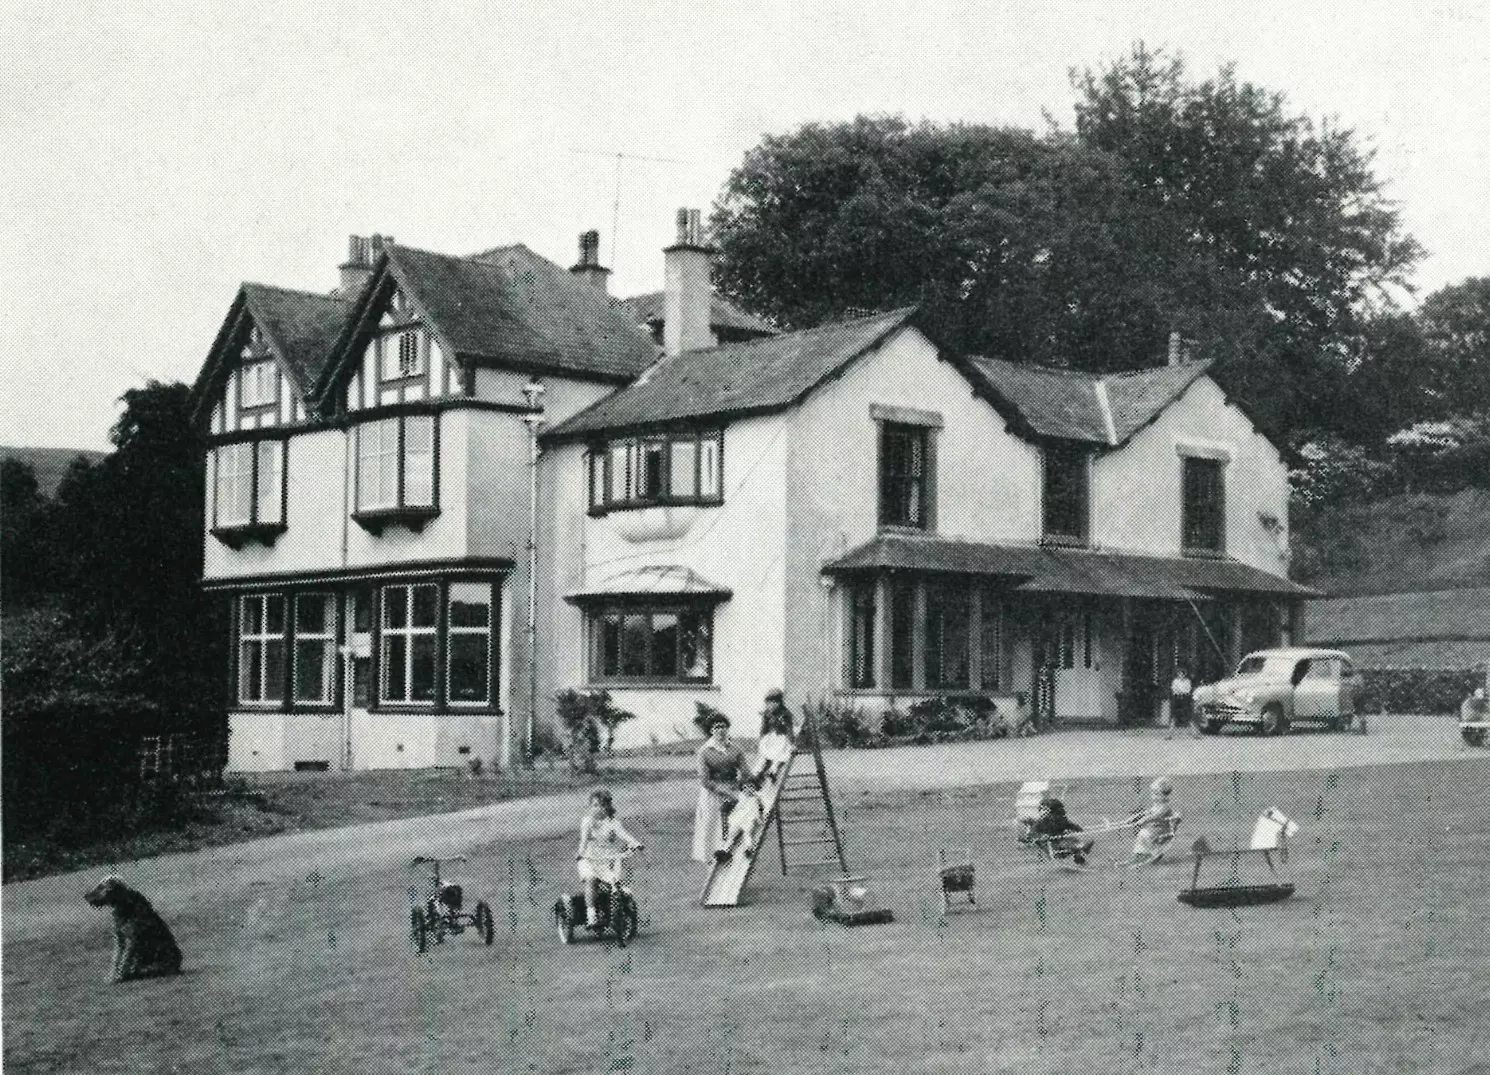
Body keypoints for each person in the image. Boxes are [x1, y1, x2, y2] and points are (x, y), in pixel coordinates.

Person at [576, 789, 643, 926]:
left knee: (615, 883)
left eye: (601, 805)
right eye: (594, 805)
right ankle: (591, 914)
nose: (598, 809)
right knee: (591, 880)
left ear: (607, 807)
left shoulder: (612, 822)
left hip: (607, 860)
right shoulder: (587, 821)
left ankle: (618, 910)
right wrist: (580, 853)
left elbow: (623, 835)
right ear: (590, 807)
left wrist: (636, 843)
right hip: (590, 859)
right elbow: (583, 840)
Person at [693, 714, 748, 863]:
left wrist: (741, 787)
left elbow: (745, 772)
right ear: (711, 730)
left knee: (737, 825)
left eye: (723, 726)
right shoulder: (704, 752)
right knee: (714, 829)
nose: (720, 730)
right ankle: (714, 861)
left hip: (733, 790)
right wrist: (725, 792)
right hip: (713, 794)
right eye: (716, 727)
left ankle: (734, 859)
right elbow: (705, 781)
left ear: (727, 728)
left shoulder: (736, 749)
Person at [1021, 797, 1094, 865]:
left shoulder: (1060, 819)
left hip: (1061, 840)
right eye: (1042, 809)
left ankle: (1079, 855)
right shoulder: (1041, 822)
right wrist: (1041, 836)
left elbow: (1070, 825)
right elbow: (1032, 833)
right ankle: (1081, 848)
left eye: (1045, 809)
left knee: (1071, 839)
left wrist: (1079, 829)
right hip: (1052, 845)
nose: (1043, 812)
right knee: (1066, 842)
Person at [1126, 777, 1179, 865]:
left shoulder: (1164, 806)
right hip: (1154, 829)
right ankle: (1138, 854)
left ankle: (1152, 854)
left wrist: (1144, 820)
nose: (1153, 796)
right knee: (1141, 835)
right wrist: (1134, 818)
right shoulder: (1157, 805)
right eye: (1153, 793)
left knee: (1144, 835)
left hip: (1162, 830)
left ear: (1165, 795)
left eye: (1157, 794)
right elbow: (1148, 813)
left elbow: (1155, 816)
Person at [715, 777, 766, 863]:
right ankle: (725, 851)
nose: (748, 789)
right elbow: (732, 801)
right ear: (742, 788)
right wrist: (728, 805)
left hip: (749, 818)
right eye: (745, 787)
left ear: (754, 788)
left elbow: (761, 808)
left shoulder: (757, 797)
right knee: (731, 833)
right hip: (738, 817)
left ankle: (748, 849)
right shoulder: (740, 795)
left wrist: (760, 817)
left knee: (748, 833)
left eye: (751, 787)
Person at [753, 688, 796, 782]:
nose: (771, 705)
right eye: (768, 703)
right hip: (770, 738)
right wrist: (760, 740)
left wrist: (792, 743)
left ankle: (773, 771)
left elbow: (789, 730)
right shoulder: (767, 714)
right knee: (763, 755)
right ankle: (758, 772)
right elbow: (763, 729)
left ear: (779, 703)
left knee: (781, 754)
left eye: (774, 702)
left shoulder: (785, 714)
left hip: (782, 737)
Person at [1168, 667, 1194, 739]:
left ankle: (1194, 734)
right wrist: (1180, 691)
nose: (1181, 675)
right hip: (1176, 698)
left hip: (1185, 698)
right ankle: (1170, 734)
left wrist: (1181, 691)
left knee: (1188, 715)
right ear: (1178, 674)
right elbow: (1174, 689)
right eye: (1179, 674)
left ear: (1184, 674)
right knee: (1173, 715)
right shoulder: (1175, 681)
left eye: (1182, 674)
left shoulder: (1187, 681)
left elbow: (1188, 690)